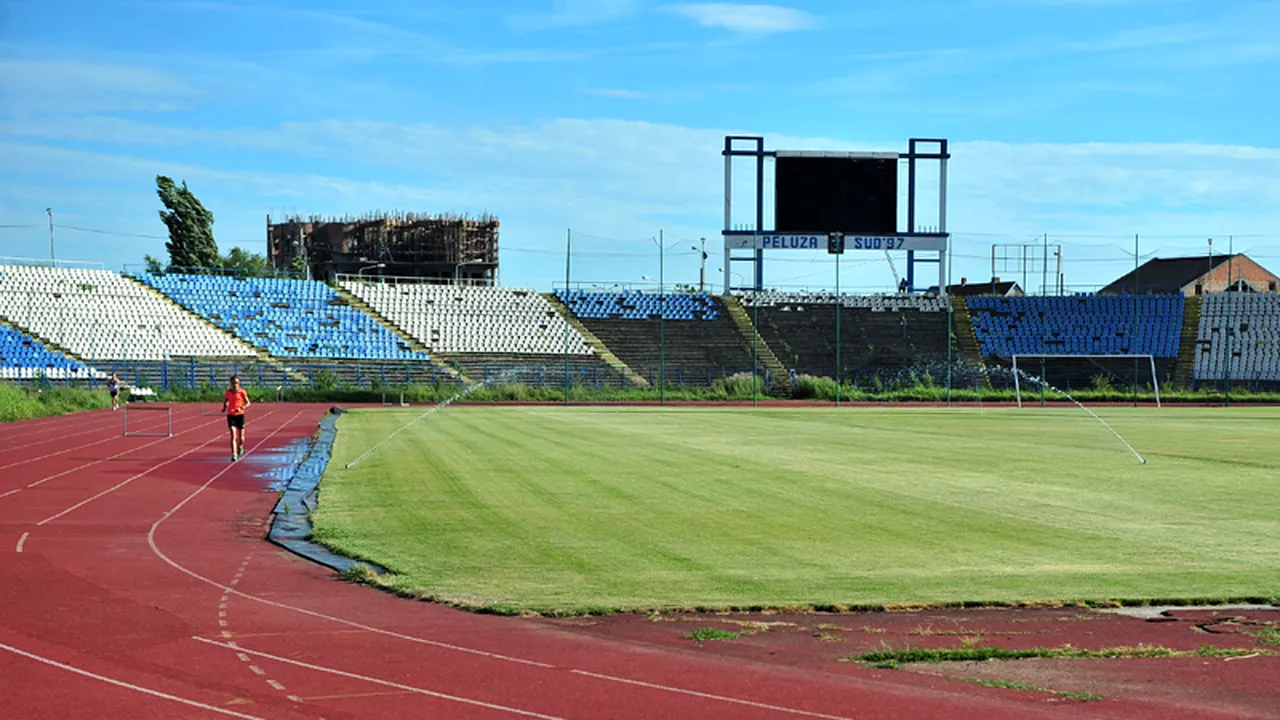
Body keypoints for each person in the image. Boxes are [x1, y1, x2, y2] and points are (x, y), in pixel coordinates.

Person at [222, 375, 251, 461]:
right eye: (233, 383)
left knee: (241, 437)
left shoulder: (242, 392)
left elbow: (248, 403)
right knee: (232, 435)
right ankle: (234, 454)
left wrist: (242, 407)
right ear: (230, 383)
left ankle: (241, 445)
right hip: (231, 415)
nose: (235, 385)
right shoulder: (228, 392)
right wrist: (224, 407)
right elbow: (226, 401)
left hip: (240, 415)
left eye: (236, 383)